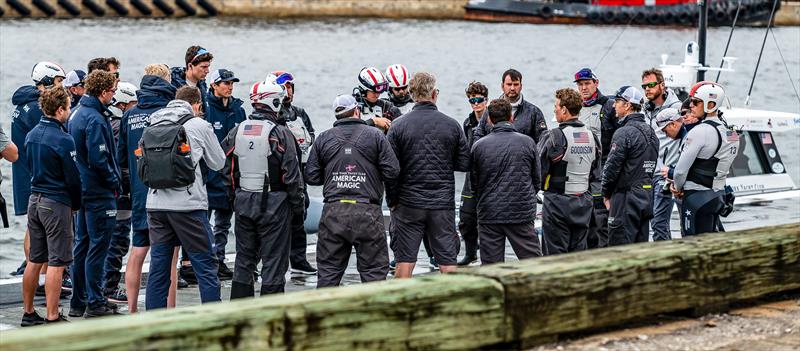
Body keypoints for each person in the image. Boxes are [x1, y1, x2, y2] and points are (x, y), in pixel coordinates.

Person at [305, 94, 400, 287]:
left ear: (337, 115)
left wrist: (336, 176)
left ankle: (324, 315)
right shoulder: (375, 136)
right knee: (374, 275)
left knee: (328, 274)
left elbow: (312, 177)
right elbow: (393, 171)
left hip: (334, 211)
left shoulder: (323, 138)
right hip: (367, 211)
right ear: (357, 111)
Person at [145, 86, 226, 309]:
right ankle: (213, 319)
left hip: (155, 204)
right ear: (197, 105)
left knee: (159, 269)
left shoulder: (153, 121)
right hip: (188, 207)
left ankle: (154, 323)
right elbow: (218, 162)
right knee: (205, 265)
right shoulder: (199, 124)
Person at [222, 79, 304, 297]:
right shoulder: (280, 133)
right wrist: (298, 209)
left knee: (244, 259)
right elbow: (293, 176)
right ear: (274, 102)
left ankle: (240, 308)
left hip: (243, 201)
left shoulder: (236, 131)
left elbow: (225, 169)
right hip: (275, 204)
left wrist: (234, 199)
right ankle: (271, 313)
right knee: (274, 263)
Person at [386, 72, 470, 278]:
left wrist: (392, 200)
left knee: (404, 263)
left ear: (412, 95)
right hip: (441, 204)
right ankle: (454, 307)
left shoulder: (397, 126)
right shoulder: (451, 125)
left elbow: (390, 169)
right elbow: (463, 163)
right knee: (448, 263)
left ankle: (399, 308)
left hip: (407, 203)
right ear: (434, 94)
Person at [118, 64, 177, 313]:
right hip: (165, 194)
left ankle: (132, 309)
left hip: (138, 193)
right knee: (169, 257)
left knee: (137, 251)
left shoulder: (129, 115)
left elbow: (120, 158)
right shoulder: (167, 112)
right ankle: (170, 309)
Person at [21, 87, 81, 326]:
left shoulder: (31, 134)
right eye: (67, 106)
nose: (69, 111)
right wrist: (76, 205)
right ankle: (53, 315)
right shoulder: (64, 139)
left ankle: (28, 313)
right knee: (57, 261)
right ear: (59, 110)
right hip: (55, 203)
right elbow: (73, 178)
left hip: (34, 200)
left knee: (35, 259)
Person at [68, 70, 122, 318]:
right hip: (99, 191)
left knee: (83, 245)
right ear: (103, 92)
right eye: (112, 90)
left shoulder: (77, 112)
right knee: (98, 247)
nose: (114, 95)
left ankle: (79, 301)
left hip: (82, 189)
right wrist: (114, 182)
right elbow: (99, 159)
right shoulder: (96, 119)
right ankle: (95, 302)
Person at [11, 62, 66, 286]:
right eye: (59, 81)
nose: (61, 86)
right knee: (35, 228)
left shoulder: (25, 103)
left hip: (25, 168)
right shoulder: (35, 108)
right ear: (47, 81)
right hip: (32, 171)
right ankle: (38, 272)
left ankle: (38, 272)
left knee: (33, 225)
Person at [471, 99, 541, 264]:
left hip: (490, 212)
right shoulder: (527, 142)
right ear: (511, 118)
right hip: (521, 210)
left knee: (491, 266)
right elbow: (537, 179)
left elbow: (474, 184)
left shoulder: (478, 146)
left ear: (489, 120)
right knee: (533, 262)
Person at [539, 88, 601, 255]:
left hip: (557, 203)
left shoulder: (554, 136)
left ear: (564, 110)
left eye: (556, 106)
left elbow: (538, 170)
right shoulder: (592, 136)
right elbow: (596, 172)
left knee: (555, 256)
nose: (554, 109)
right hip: (584, 203)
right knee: (578, 253)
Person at [671, 82, 736, 236]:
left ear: (711, 104)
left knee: (692, 245)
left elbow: (680, 171)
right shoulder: (730, 133)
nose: (691, 105)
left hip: (696, 197)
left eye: (695, 102)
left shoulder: (700, 132)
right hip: (718, 196)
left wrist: (677, 187)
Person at [272, 70, 317, 276]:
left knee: (301, 212)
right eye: (284, 87)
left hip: (300, 171)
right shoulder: (272, 114)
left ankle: (298, 259)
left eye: (290, 87)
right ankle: (273, 260)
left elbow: (312, 136)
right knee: (279, 218)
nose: (288, 91)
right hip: (279, 174)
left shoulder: (299, 113)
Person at [601, 86, 659, 246]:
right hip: (646, 196)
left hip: (625, 199)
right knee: (640, 250)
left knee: (619, 251)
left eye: (617, 101)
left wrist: (605, 193)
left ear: (627, 105)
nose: (613, 105)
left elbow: (611, 168)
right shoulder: (651, 132)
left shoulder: (623, 133)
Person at [204, 68, 246, 280]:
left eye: (232, 83)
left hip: (230, 177)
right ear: (214, 85)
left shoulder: (238, 109)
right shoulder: (206, 108)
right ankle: (201, 262)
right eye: (225, 83)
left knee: (223, 224)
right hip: (209, 177)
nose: (229, 87)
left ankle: (219, 260)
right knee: (202, 225)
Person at [573, 68, 616, 248]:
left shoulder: (608, 105)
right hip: (580, 170)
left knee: (600, 217)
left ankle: (603, 253)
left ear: (596, 84)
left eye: (587, 84)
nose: (584, 88)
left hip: (602, 167)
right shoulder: (575, 107)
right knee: (583, 216)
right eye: (580, 85)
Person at [104, 81, 138, 303]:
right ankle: (109, 288)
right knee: (117, 241)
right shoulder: (117, 126)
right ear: (123, 104)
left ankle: (104, 287)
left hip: (112, 193)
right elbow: (121, 162)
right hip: (121, 195)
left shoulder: (107, 122)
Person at [641, 68, 682, 241]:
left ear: (662, 85)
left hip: (665, 175)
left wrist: (676, 171)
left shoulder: (677, 108)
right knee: (652, 222)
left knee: (658, 223)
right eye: (644, 86)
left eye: (651, 85)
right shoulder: (646, 109)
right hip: (648, 174)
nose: (647, 89)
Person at [457, 81, 487, 266]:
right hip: (470, 178)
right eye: (472, 100)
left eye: (479, 99)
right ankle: (470, 253)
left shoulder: (492, 119)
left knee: (487, 221)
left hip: (488, 178)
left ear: (486, 99)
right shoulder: (467, 123)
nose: (476, 103)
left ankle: (488, 256)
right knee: (466, 220)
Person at [473, 69, 547, 144]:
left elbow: (543, 141)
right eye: (509, 84)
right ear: (502, 86)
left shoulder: (533, 112)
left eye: (516, 84)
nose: (512, 88)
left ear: (521, 86)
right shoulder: (490, 110)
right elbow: (478, 136)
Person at [353, 67, 401, 132]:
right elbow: (349, 132)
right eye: (373, 92)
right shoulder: (351, 108)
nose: (377, 95)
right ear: (363, 90)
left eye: (379, 92)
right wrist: (373, 121)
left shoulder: (387, 107)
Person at [171, 46, 212, 114]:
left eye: (208, 67)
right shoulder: (173, 87)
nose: (207, 71)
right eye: (203, 67)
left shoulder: (203, 86)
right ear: (190, 66)